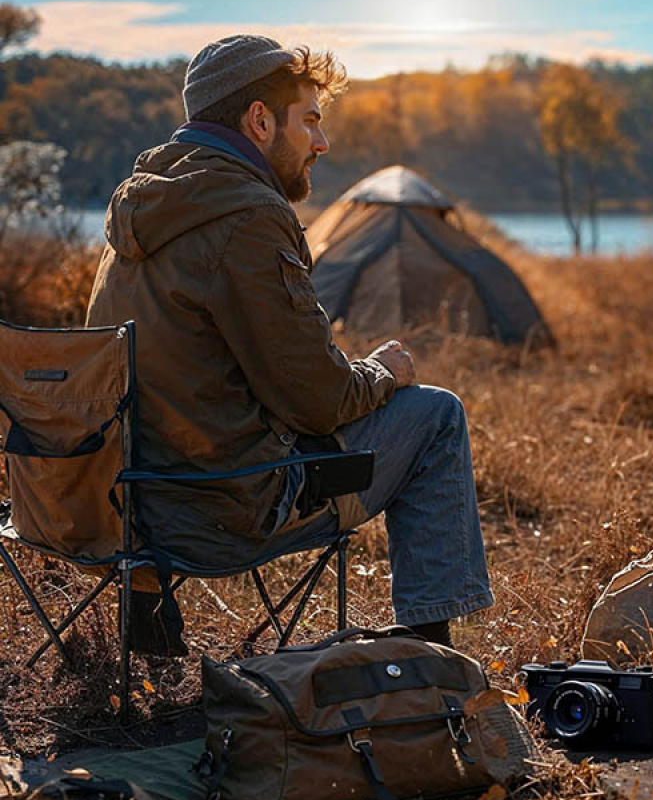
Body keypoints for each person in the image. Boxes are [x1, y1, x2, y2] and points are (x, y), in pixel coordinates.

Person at [86, 35, 493, 654]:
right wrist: (381, 372)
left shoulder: (140, 205)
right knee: (436, 415)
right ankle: (428, 654)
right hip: (222, 515)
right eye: (310, 121)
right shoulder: (247, 216)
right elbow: (318, 401)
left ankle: (145, 610)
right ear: (258, 120)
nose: (322, 144)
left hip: (119, 508)